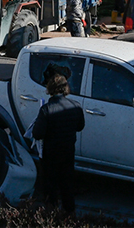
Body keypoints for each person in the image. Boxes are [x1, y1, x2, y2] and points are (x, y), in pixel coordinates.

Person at [32, 73, 85, 214]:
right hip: (68, 152)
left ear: (50, 88)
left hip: (50, 154)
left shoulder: (46, 109)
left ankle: (51, 214)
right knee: (67, 185)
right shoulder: (76, 106)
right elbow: (80, 126)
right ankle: (69, 213)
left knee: (50, 187)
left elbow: (37, 134)